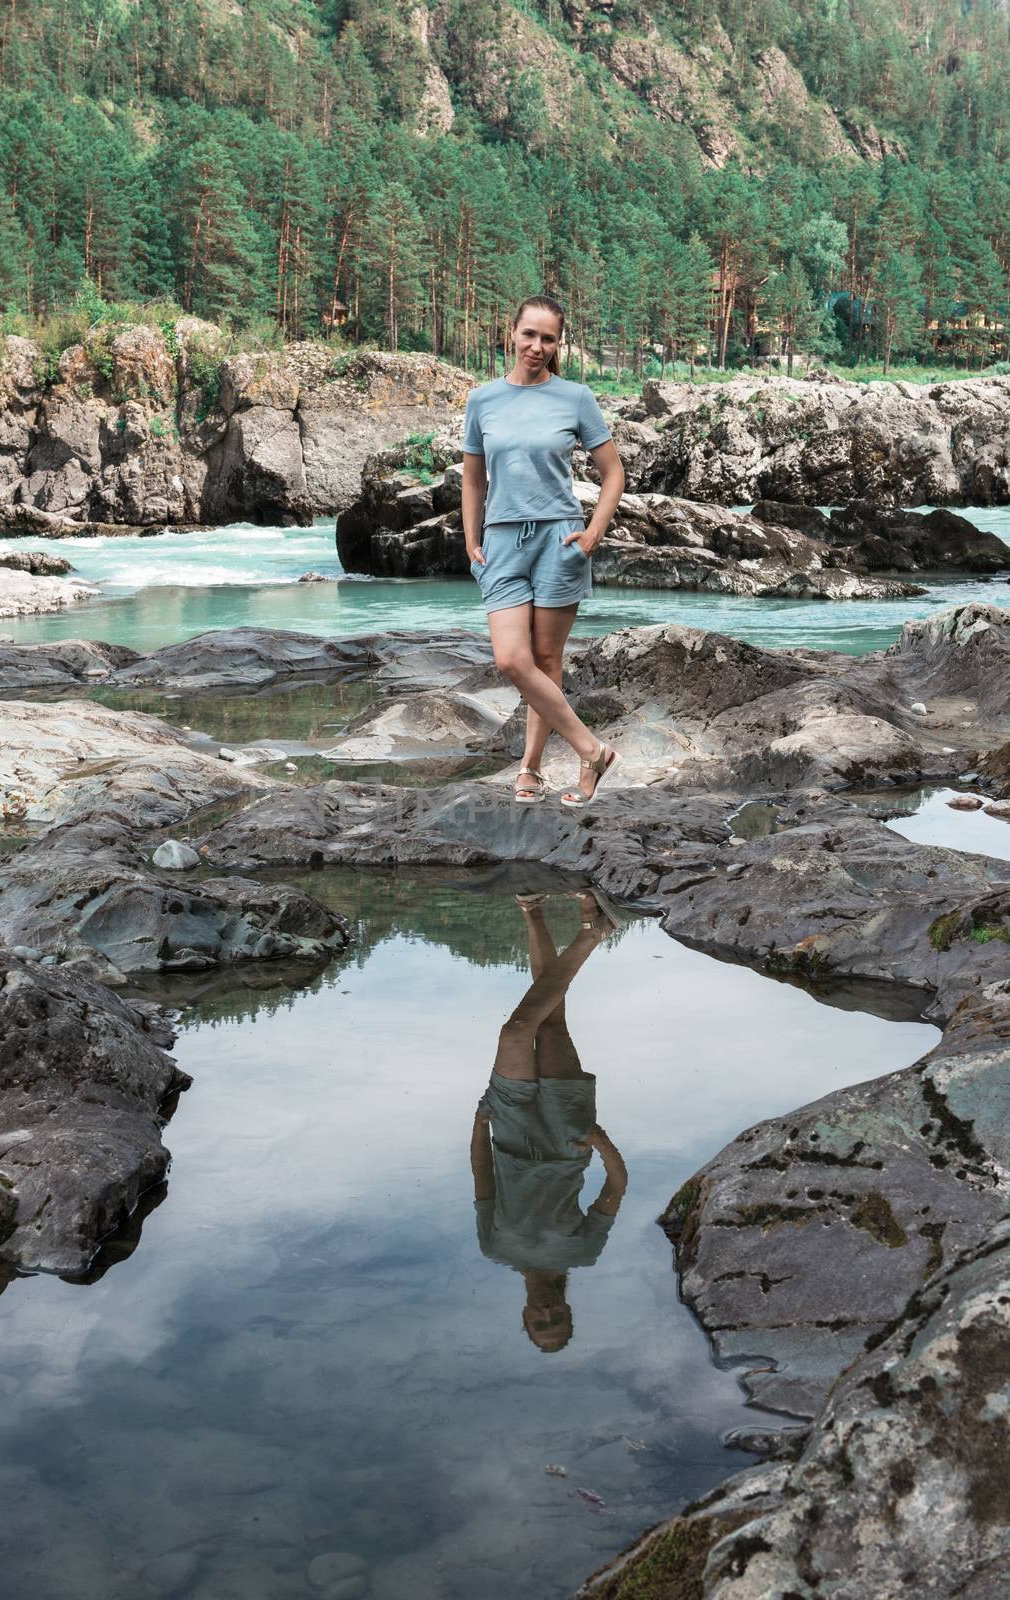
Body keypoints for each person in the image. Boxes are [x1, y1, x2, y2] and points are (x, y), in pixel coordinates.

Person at [461, 295, 627, 808]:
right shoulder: (482, 400)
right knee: (513, 659)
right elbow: (473, 479)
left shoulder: (575, 398)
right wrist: (471, 540)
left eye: (548, 338)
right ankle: (590, 749)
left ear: (559, 344)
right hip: (503, 541)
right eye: (529, 334)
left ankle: (530, 769)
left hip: (560, 538)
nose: (537, 346)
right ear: (512, 333)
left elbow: (613, 474)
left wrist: (593, 534)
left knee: (547, 658)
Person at [470, 891, 628, 1352]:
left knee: (518, 1030)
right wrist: (596, 1138)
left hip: (511, 1127)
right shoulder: (584, 1253)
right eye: (557, 1319)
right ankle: (588, 928)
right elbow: (615, 1187)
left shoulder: (495, 1248)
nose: (546, 1312)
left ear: (525, 1317)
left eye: (540, 1323)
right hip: (565, 1133)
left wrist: (480, 1125)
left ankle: (551, 916)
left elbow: (483, 1178)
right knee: (551, 1026)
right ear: (568, 1310)